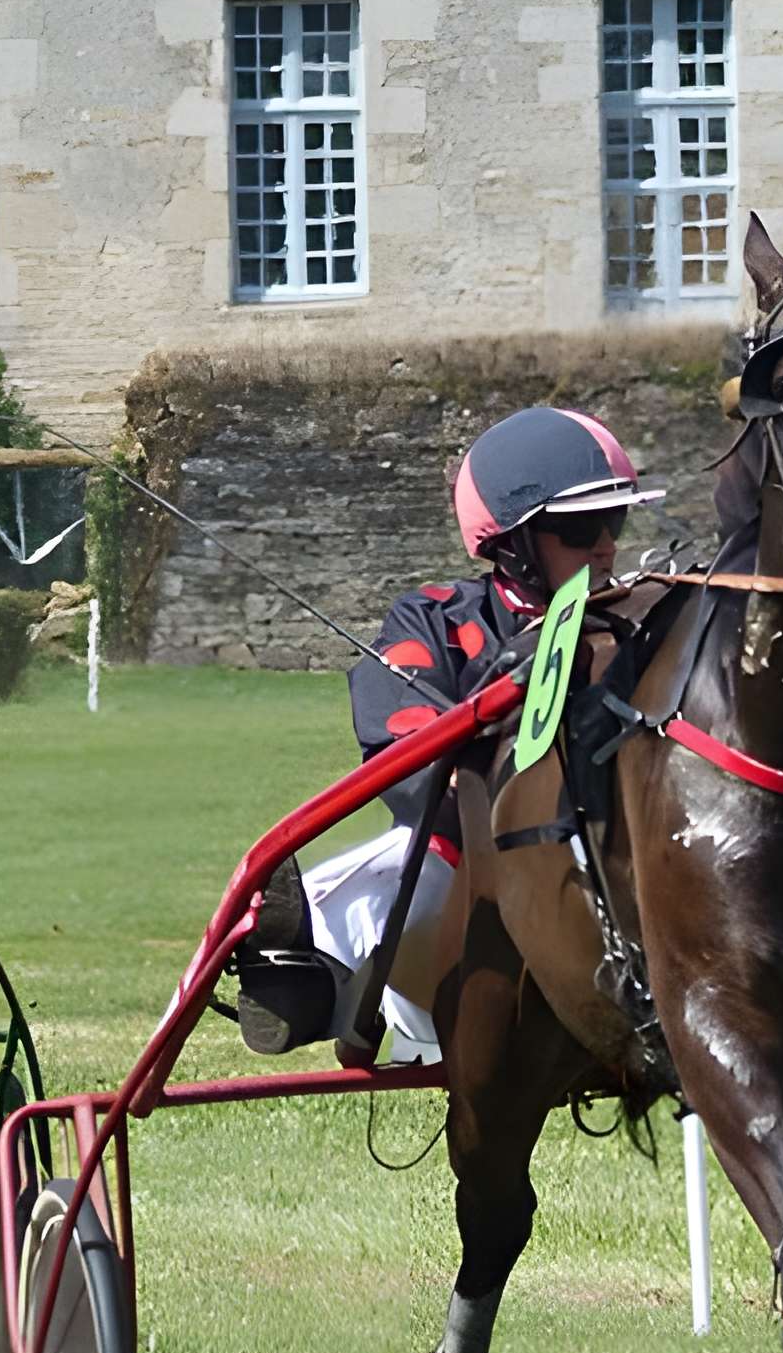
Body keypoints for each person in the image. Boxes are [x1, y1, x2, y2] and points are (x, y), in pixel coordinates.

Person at [236, 408, 662, 1060]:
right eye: (581, 528)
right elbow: (402, 749)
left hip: (617, 861)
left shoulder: (645, 620)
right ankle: (306, 974)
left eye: (617, 521)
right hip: (462, 867)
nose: (606, 546)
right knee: (382, 876)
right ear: (514, 544)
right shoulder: (432, 619)